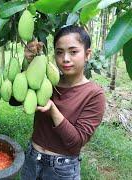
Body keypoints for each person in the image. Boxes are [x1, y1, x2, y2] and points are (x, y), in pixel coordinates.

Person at [19, 25, 106, 179]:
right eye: (59, 52)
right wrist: (29, 64)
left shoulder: (94, 94)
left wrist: (53, 110)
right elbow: (15, 99)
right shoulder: (48, 80)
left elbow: (76, 142)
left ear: (87, 54)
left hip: (62, 169)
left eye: (73, 52)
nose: (65, 59)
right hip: (32, 159)